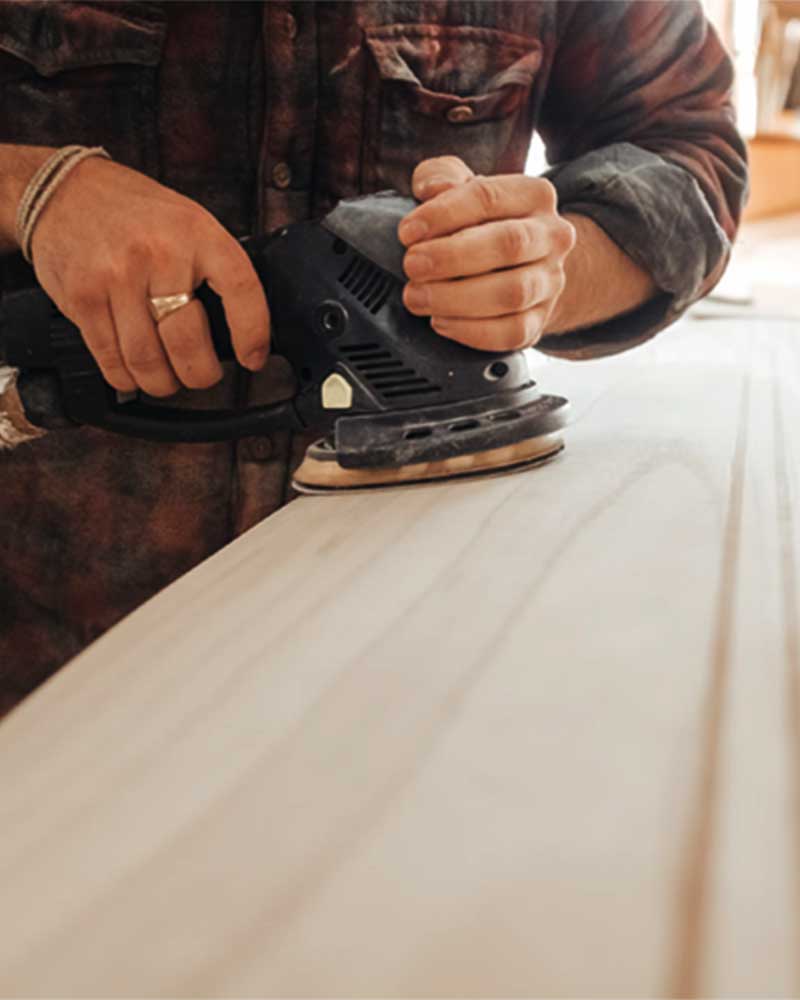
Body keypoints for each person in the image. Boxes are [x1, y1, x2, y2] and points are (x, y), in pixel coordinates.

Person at [0, 1, 748, 716]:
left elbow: (690, 149)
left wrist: (550, 271)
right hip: (50, 642)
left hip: (416, 638)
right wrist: (29, 187)